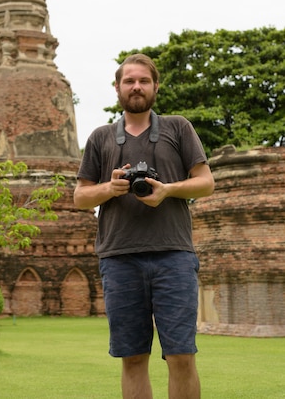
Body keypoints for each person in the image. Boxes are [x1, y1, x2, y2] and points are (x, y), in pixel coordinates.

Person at [74, 54, 215, 399]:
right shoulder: (101, 138)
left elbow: (206, 182)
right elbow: (80, 197)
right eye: (129, 81)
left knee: (182, 355)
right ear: (118, 87)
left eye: (144, 81)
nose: (136, 87)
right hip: (120, 259)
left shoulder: (178, 128)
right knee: (133, 357)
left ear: (155, 86)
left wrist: (167, 189)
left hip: (174, 256)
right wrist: (110, 188)